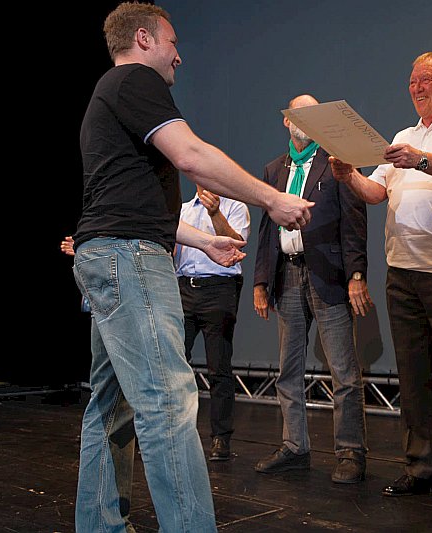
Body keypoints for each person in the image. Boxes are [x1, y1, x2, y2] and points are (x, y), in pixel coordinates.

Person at [72, 3, 313, 532]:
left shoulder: (108, 94)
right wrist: (272, 198)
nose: (179, 55)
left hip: (108, 254)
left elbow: (133, 206)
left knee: (111, 406)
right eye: (173, 42)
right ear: (144, 39)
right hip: (129, 258)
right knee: (167, 400)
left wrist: (205, 241)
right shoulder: (135, 80)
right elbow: (192, 156)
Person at [330, 52, 432, 505]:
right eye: (412, 81)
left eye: (426, 80)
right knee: (412, 374)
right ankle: (419, 466)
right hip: (403, 271)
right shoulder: (403, 136)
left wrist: (420, 160)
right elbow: (376, 192)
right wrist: (349, 176)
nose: (417, 88)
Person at [253, 94, 372, 484]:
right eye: (297, 114)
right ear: (286, 121)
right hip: (286, 275)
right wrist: (260, 281)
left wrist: (357, 274)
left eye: (311, 114)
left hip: (329, 274)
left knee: (343, 371)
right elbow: (266, 231)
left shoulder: (337, 163)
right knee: (288, 369)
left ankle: (350, 452)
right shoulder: (274, 169)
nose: (303, 120)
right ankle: (294, 447)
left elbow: (354, 221)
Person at [175, 186, 249, 462]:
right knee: (174, 364)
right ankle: (175, 432)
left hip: (219, 289)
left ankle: (221, 437)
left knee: (218, 366)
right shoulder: (182, 210)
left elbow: (237, 245)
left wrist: (215, 213)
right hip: (184, 288)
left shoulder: (234, 207)